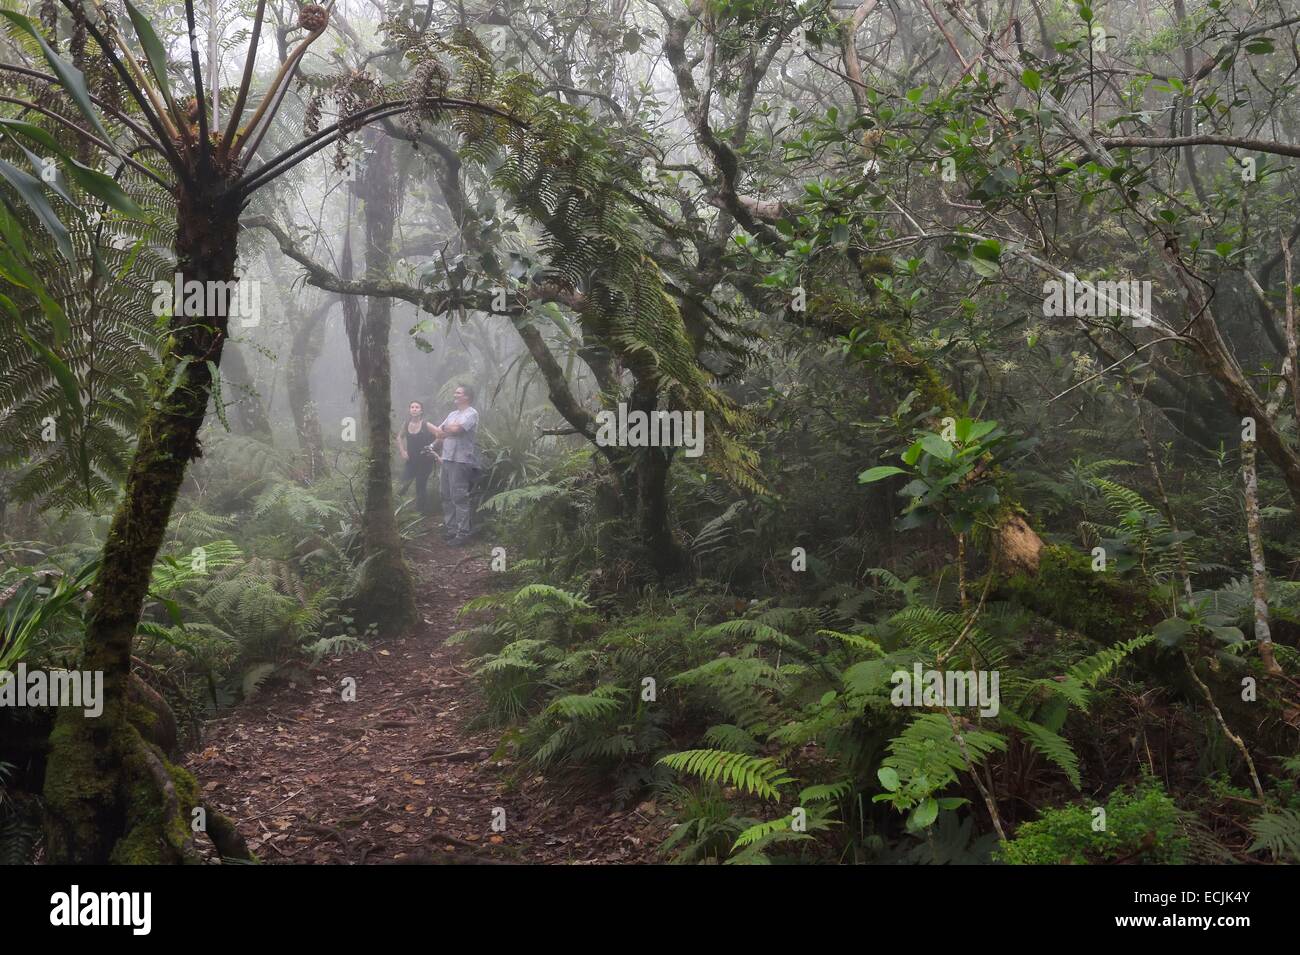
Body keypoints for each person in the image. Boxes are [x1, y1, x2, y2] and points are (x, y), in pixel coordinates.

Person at [431, 384, 481, 543]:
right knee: (445, 495)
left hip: (461, 460)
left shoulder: (472, 413)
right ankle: (451, 529)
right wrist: (433, 444)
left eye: (458, 392)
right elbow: (439, 433)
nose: (455, 394)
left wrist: (445, 430)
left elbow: (457, 429)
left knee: (459, 497)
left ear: (466, 396)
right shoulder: (452, 414)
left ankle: (463, 533)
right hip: (446, 459)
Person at [397, 400, 438, 516]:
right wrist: (402, 451)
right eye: (412, 407)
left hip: (425, 461)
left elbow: (440, 435)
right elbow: (399, 437)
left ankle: (421, 513)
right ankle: (399, 510)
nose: (414, 409)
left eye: (417, 407)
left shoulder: (426, 425)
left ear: (421, 411)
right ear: (409, 410)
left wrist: (432, 446)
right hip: (411, 461)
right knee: (404, 483)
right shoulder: (406, 424)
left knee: (420, 486)